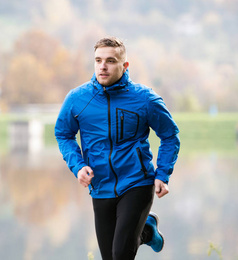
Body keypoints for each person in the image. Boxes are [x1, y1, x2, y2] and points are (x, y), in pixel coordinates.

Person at [55, 37, 180, 260]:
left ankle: (142, 229)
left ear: (125, 65)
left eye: (111, 61)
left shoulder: (145, 99)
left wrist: (163, 174)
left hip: (136, 183)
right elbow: (63, 134)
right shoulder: (77, 99)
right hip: (100, 186)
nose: (103, 66)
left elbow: (170, 135)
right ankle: (145, 230)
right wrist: (78, 166)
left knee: (121, 255)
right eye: (98, 60)